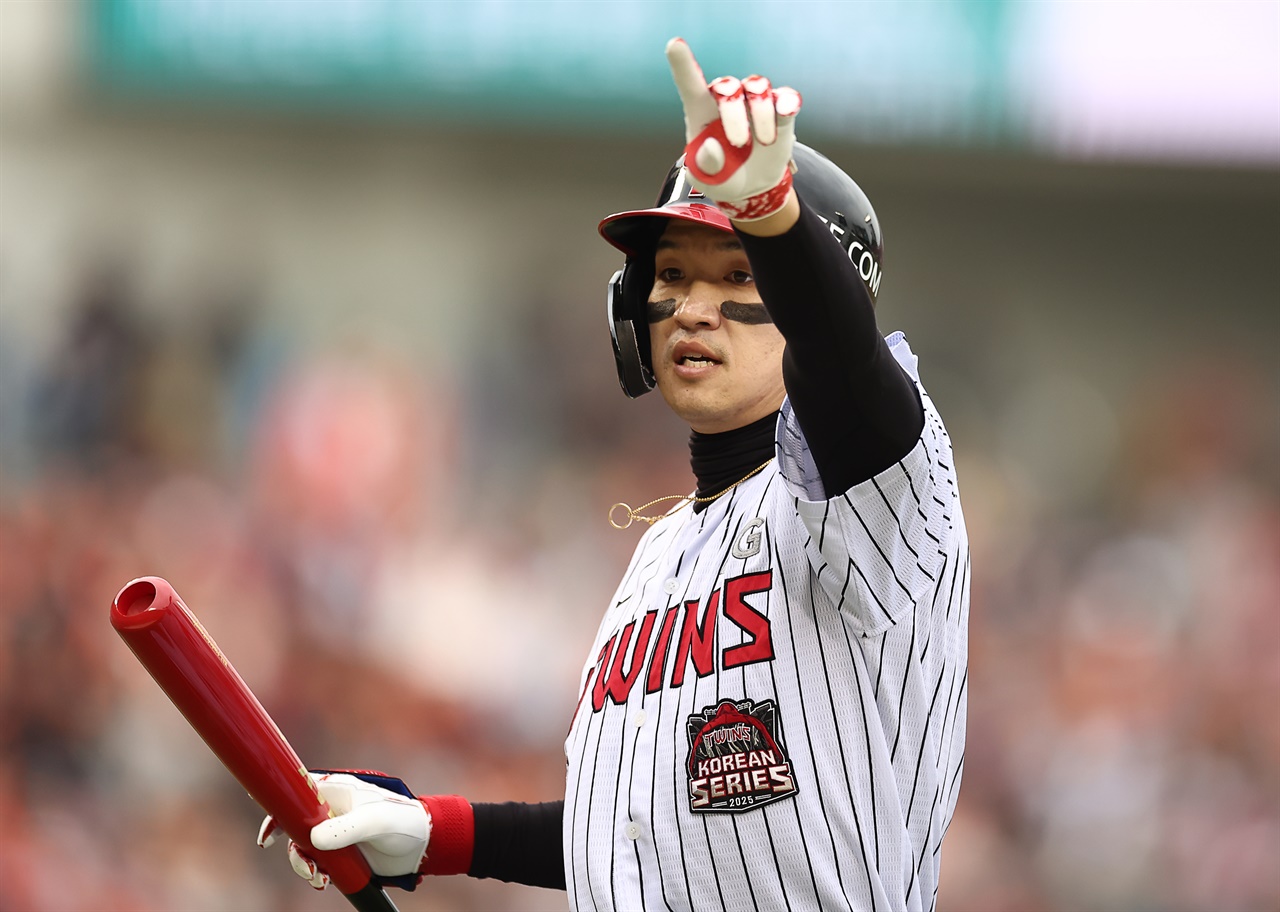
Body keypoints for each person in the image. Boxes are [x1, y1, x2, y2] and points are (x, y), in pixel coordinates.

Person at [259, 38, 971, 912]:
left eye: (738, 274)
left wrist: (773, 216)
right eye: (671, 274)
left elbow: (846, 371)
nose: (693, 308)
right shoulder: (660, 552)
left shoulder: (881, 489)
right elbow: (632, 830)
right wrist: (436, 833)